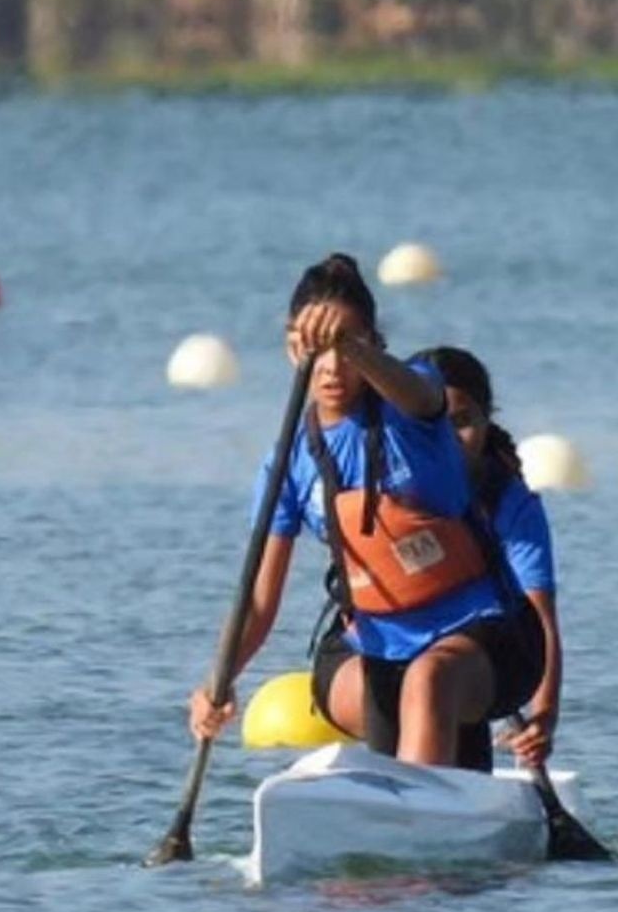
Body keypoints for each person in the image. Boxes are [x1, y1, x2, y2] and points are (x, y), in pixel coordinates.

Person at [189, 253, 543, 766]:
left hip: (490, 633)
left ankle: (417, 813)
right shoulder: (287, 463)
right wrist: (216, 683)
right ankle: (431, 790)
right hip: (378, 647)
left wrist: (347, 344)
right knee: (397, 689)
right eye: (316, 349)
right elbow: (260, 606)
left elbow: (423, 395)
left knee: (429, 678)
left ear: (374, 344)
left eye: (348, 349)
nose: (332, 368)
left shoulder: (413, 402)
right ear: (293, 347)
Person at [419, 346, 561, 768]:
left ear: (487, 420)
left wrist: (543, 717)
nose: (448, 441)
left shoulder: (512, 505)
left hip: (476, 663)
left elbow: (542, 621)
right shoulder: (386, 487)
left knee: (438, 681)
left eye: (462, 422)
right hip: (391, 654)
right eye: (434, 426)